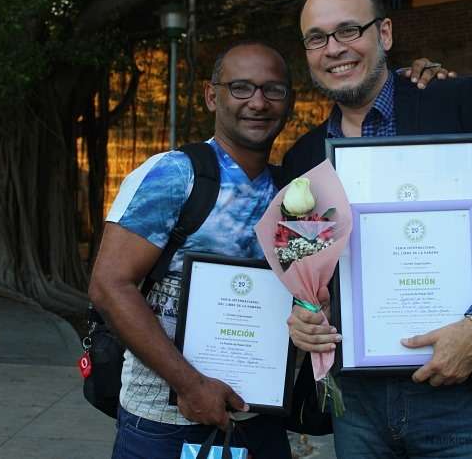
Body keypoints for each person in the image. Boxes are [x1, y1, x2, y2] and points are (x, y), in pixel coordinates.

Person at [88, 39, 449, 459]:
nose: (257, 102)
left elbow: (314, 288)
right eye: (240, 87)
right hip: (163, 423)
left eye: (273, 90)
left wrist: (413, 82)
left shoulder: (297, 191)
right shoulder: (173, 175)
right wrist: (190, 385)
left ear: (290, 101)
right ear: (211, 95)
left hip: (261, 422)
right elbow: (109, 285)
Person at [283, 0, 472, 459]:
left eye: (349, 30)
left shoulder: (454, 104)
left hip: (457, 391)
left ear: (386, 34)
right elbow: (304, 267)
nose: (333, 49)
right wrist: (304, 316)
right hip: (355, 403)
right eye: (317, 37)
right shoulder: (304, 158)